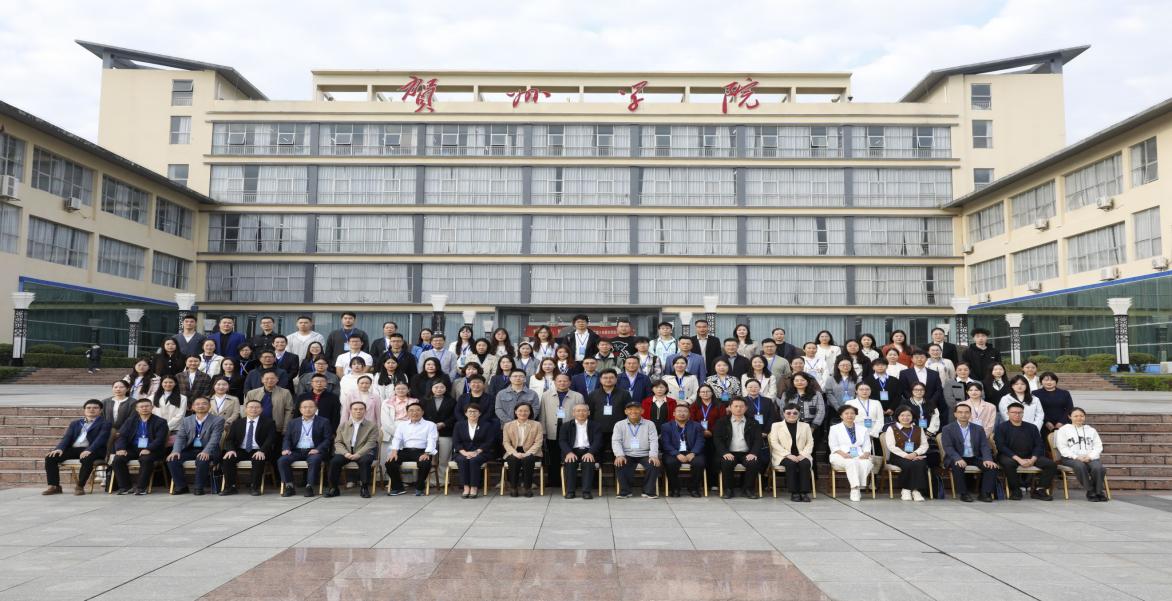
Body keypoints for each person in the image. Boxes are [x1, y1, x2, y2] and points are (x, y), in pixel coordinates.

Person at [43, 399, 111, 495]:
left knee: (87, 458)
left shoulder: (105, 423)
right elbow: (67, 437)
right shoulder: (75, 423)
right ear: (84, 410)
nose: (91, 410)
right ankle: (54, 486)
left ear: (100, 410)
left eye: (95, 408)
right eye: (88, 408)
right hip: (75, 449)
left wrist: (89, 450)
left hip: (94, 450)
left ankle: (80, 486)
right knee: (51, 457)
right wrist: (59, 448)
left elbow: (101, 438)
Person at [995, 402, 1057, 501]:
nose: (1017, 414)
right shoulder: (1001, 427)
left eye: (1020, 412)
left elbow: (1039, 445)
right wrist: (1019, 459)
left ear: (1023, 413)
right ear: (1008, 413)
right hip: (1009, 456)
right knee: (1008, 463)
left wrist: (1033, 459)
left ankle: (1040, 490)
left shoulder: (1032, 427)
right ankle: (1015, 490)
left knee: (1050, 464)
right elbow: (1001, 446)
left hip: (1030, 456)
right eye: (1014, 412)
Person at [166, 397, 224, 496]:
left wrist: (206, 451)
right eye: (197, 404)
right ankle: (181, 486)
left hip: (210, 450)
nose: (201, 406)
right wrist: (175, 451)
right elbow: (180, 437)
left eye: (204, 403)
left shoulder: (218, 420)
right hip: (191, 449)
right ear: (192, 407)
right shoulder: (186, 420)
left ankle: (199, 487)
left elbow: (215, 439)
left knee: (202, 459)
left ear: (209, 406)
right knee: (172, 459)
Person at [110, 398, 169, 495]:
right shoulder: (130, 421)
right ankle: (125, 487)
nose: (144, 408)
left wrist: (149, 449)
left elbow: (160, 439)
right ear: (137, 409)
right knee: (118, 459)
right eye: (141, 407)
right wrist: (121, 448)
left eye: (147, 406)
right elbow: (122, 436)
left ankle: (141, 488)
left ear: (152, 407)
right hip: (133, 448)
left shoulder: (160, 421)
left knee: (146, 459)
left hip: (152, 449)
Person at [940, 403, 998, 502]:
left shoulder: (978, 428)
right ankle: (964, 494)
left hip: (974, 456)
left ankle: (985, 494)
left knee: (991, 467)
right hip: (957, 456)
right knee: (957, 465)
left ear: (970, 414)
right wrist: (958, 458)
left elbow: (984, 445)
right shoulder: (947, 429)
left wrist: (988, 459)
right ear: (955, 414)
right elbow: (948, 447)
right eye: (960, 412)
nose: (963, 415)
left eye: (966, 412)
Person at [220, 399, 277, 496]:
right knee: (228, 458)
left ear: (261, 409)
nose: (254, 409)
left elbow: (270, 439)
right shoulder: (237, 423)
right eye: (251, 407)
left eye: (257, 407)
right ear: (245, 409)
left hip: (259, 450)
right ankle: (230, 487)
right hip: (241, 450)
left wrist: (262, 451)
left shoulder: (269, 423)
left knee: (258, 459)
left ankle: (254, 487)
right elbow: (229, 440)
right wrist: (231, 450)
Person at [277, 398, 333, 498]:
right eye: (305, 407)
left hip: (314, 451)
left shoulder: (324, 421)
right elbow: (287, 438)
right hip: (296, 451)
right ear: (300, 409)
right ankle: (289, 486)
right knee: (282, 460)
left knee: (314, 460)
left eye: (311, 407)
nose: (308, 409)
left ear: (316, 409)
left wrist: (318, 449)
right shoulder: (293, 422)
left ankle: (309, 486)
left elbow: (327, 439)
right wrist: (286, 449)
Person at [325, 401, 379, 498]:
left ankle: (364, 488)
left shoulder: (372, 426)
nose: (358, 411)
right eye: (355, 409)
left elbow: (371, 443)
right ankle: (333, 488)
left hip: (364, 452)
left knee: (365, 461)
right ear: (350, 411)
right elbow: (338, 442)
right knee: (334, 461)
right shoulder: (343, 425)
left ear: (365, 411)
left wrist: (359, 454)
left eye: (361, 409)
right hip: (346, 451)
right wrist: (345, 453)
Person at [713, 397, 762, 499]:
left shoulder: (753, 422)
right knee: (727, 462)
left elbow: (758, 440)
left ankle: (748, 489)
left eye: (741, 406)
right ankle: (728, 489)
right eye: (735, 406)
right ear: (730, 407)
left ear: (746, 408)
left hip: (747, 453)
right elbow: (717, 439)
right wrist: (724, 453)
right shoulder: (721, 422)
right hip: (729, 452)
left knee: (753, 463)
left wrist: (753, 453)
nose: (738, 409)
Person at [540, 372, 584, 485]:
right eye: (559, 381)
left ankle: (570, 481)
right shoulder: (546, 395)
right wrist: (543, 430)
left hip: (571, 430)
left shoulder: (578, 396)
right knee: (553, 456)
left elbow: (582, 415)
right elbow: (542, 414)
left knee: (569, 455)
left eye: (565, 381)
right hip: (552, 429)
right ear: (555, 382)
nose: (562, 383)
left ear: (569, 382)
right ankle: (554, 481)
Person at [1055, 408, 1108, 502]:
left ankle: (1098, 491)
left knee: (1098, 468)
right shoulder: (1063, 430)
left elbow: (1098, 446)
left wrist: (1090, 456)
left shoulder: (1091, 430)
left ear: (1085, 417)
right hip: (1070, 458)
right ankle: (1091, 490)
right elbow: (1062, 448)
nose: (1079, 418)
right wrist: (1077, 457)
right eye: (1076, 416)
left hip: (1090, 457)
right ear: (1070, 417)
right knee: (1080, 465)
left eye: (1081, 416)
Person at [386, 402, 438, 496]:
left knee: (425, 463)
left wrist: (427, 453)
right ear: (407, 413)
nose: (414, 413)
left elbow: (432, 440)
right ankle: (398, 488)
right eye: (411, 410)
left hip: (422, 451)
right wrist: (394, 451)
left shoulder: (430, 425)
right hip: (406, 450)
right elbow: (397, 439)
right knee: (390, 462)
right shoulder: (402, 425)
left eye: (418, 410)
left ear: (422, 412)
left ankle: (419, 488)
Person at [612, 401, 661, 499]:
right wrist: (619, 455)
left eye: (636, 409)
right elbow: (616, 441)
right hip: (627, 454)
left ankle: (648, 491)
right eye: (630, 409)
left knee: (654, 464)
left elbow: (653, 440)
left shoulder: (649, 424)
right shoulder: (619, 425)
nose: (633, 411)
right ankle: (625, 491)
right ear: (626, 411)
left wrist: (653, 455)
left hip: (645, 454)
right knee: (619, 463)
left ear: (642, 411)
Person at [768, 403, 814, 502]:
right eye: (788, 413)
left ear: (799, 414)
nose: (792, 415)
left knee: (805, 464)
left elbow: (810, 442)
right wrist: (787, 455)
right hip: (783, 455)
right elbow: (774, 442)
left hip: (801, 454)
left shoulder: (805, 426)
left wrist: (803, 454)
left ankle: (804, 492)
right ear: (784, 414)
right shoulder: (776, 425)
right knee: (791, 464)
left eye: (795, 413)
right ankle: (794, 492)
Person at [828, 405, 874, 502]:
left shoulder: (863, 429)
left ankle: (858, 487)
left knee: (866, 463)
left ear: (855, 415)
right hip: (840, 455)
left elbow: (867, 444)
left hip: (859, 454)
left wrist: (866, 453)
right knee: (851, 462)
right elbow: (833, 445)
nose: (850, 415)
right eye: (846, 413)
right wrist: (843, 454)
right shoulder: (834, 428)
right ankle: (855, 489)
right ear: (841, 416)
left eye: (852, 413)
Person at [883, 406, 930, 501]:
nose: (905, 417)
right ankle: (906, 489)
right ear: (898, 416)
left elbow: (924, 445)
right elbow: (891, 446)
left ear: (912, 416)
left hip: (915, 455)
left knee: (920, 464)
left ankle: (916, 491)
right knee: (908, 464)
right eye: (902, 415)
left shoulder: (918, 429)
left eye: (908, 415)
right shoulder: (891, 428)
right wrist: (906, 455)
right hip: (898, 456)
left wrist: (915, 453)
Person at [452, 404, 497, 498]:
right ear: (465, 413)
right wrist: (465, 453)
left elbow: (489, 442)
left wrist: (477, 452)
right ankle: (466, 487)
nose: (472, 413)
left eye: (475, 411)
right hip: (462, 452)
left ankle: (474, 487)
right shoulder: (459, 425)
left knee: (474, 460)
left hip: (482, 452)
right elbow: (456, 441)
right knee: (462, 460)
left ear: (479, 413)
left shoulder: (487, 425)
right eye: (470, 411)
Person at [661, 403, 705, 497]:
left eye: (685, 411)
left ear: (689, 414)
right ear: (674, 414)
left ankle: (693, 488)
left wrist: (693, 453)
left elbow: (700, 441)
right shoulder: (666, 426)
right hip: (673, 452)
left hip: (692, 451)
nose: (682, 413)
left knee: (699, 463)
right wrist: (676, 454)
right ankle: (675, 489)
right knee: (670, 463)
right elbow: (666, 443)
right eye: (679, 411)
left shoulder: (697, 426)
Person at [559, 403, 602, 499]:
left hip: (589, 450)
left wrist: (590, 452)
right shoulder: (566, 426)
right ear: (573, 413)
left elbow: (598, 441)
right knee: (570, 462)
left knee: (588, 461)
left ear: (588, 413)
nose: (581, 413)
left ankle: (586, 492)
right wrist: (568, 452)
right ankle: (570, 491)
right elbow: (562, 441)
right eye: (578, 411)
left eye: (584, 411)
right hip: (572, 451)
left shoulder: (595, 426)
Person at [502, 403, 544, 496]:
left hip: (532, 451)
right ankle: (513, 487)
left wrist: (527, 453)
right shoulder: (508, 425)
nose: (523, 413)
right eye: (520, 411)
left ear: (530, 412)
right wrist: (515, 453)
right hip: (514, 450)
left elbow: (538, 442)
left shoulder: (537, 425)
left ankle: (527, 487)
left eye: (526, 411)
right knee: (513, 459)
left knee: (528, 459)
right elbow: (506, 442)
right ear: (515, 412)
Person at [422, 380, 457, 484]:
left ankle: (443, 481)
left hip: (446, 432)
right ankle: (431, 480)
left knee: (444, 458)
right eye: (436, 387)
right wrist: (431, 425)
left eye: (442, 387)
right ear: (431, 388)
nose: (439, 389)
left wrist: (444, 424)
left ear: (446, 389)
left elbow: (454, 416)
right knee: (431, 458)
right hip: (429, 433)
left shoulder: (451, 401)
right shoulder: (424, 400)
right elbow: (421, 415)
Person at [899, 349, 946, 421]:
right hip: (912, 406)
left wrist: (931, 402)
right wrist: (914, 401)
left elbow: (938, 389)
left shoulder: (934, 373)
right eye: (916, 357)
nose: (919, 359)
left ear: (926, 359)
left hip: (931, 405)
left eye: (922, 357)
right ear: (912, 359)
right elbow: (904, 389)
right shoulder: (904, 373)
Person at [246, 370, 295, 436]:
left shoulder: (285, 393)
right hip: (256, 426)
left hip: (277, 427)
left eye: (272, 378)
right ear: (262, 380)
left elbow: (289, 411)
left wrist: (285, 428)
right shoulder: (252, 393)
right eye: (267, 378)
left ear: (277, 379)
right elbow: (245, 409)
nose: (269, 380)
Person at [588, 369, 631, 439]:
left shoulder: (625, 394)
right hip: (598, 430)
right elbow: (590, 413)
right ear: (600, 380)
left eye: (611, 377)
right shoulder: (593, 394)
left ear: (616, 379)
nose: (608, 380)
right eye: (605, 378)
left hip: (619, 429)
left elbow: (628, 412)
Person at [1034, 372, 1074, 438]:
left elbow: (1069, 408)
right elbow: (1035, 410)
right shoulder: (1035, 393)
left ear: (1056, 381)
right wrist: (1046, 422)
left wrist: (1061, 422)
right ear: (1041, 381)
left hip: (1063, 423)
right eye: (1046, 380)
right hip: (1042, 423)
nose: (1049, 382)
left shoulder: (1065, 393)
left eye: (1052, 380)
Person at [862, 357, 903, 422]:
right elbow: (866, 395)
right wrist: (878, 409)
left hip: (891, 411)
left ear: (887, 366)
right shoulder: (867, 380)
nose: (880, 367)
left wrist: (892, 408)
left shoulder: (894, 380)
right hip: (873, 410)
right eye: (877, 365)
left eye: (883, 365)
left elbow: (898, 396)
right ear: (873, 367)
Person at [102, 380, 135, 446]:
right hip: (107, 429)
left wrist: (121, 431)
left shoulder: (133, 402)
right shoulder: (105, 401)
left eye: (121, 387)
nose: (118, 389)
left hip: (127, 429)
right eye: (115, 387)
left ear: (127, 389)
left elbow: (132, 419)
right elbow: (101, 416)